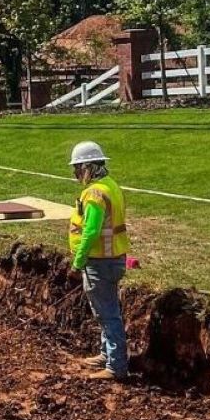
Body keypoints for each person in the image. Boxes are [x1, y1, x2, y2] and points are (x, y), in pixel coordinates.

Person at [68, 141, 130, 381]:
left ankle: (116, 366)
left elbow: (91, 231)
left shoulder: (94, 193)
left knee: (107, 314)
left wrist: (78, 261)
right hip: (113, 258)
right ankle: (106, 354)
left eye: (77, 168)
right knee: (107, 310)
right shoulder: (110, 186)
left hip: (100, 260)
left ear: (88, 167)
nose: (76, 174)